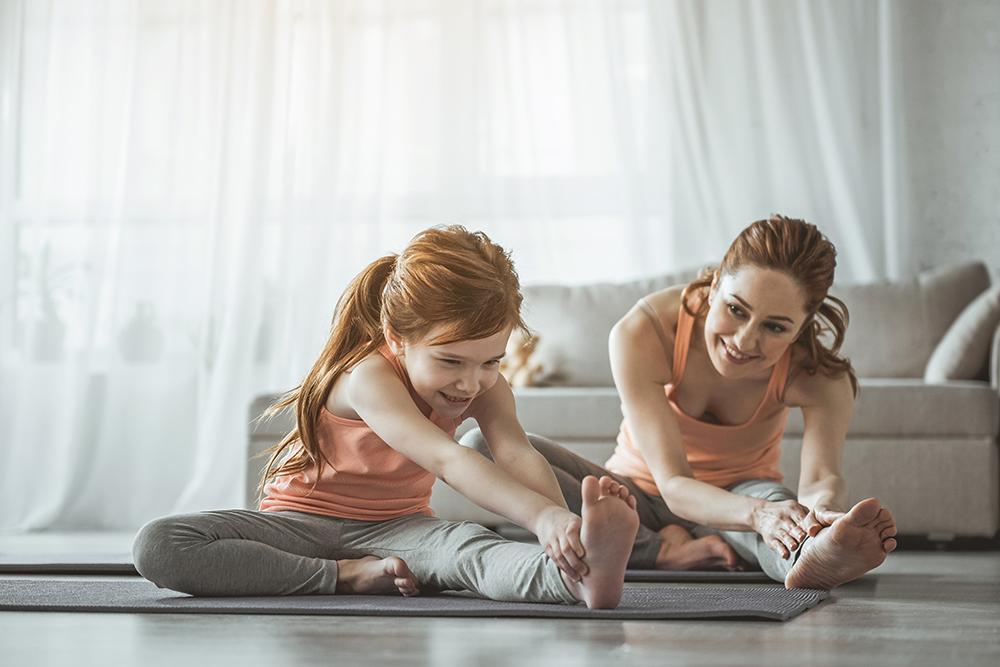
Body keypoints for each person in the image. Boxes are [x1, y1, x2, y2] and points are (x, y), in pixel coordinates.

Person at [132, 225, 638, 609]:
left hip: (403, 530)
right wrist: (542, 514)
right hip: (300, 528)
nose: (471, 382)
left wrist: (562, 532)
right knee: (159, 544)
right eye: (450, 361)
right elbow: (448, 460)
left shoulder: (487, 386)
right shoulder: (368, 377)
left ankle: (576, 579)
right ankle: (346, 576)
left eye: (491, 360)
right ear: (398, 339)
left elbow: (514, 451)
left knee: (471, 550)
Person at [465, 215, 898, 589]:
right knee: (479, 447)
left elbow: (822, 477)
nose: (744, 341)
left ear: (803, 327)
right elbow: (672, 485)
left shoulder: (820, 377)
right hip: (636, 497)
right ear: (712, 286)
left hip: (736, 500)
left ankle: (812, 558)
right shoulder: (644, 332)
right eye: (736, 309)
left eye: (776, 328)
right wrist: (760, 516)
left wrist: (818, 518)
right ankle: (661, 551)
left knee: (786, 519)